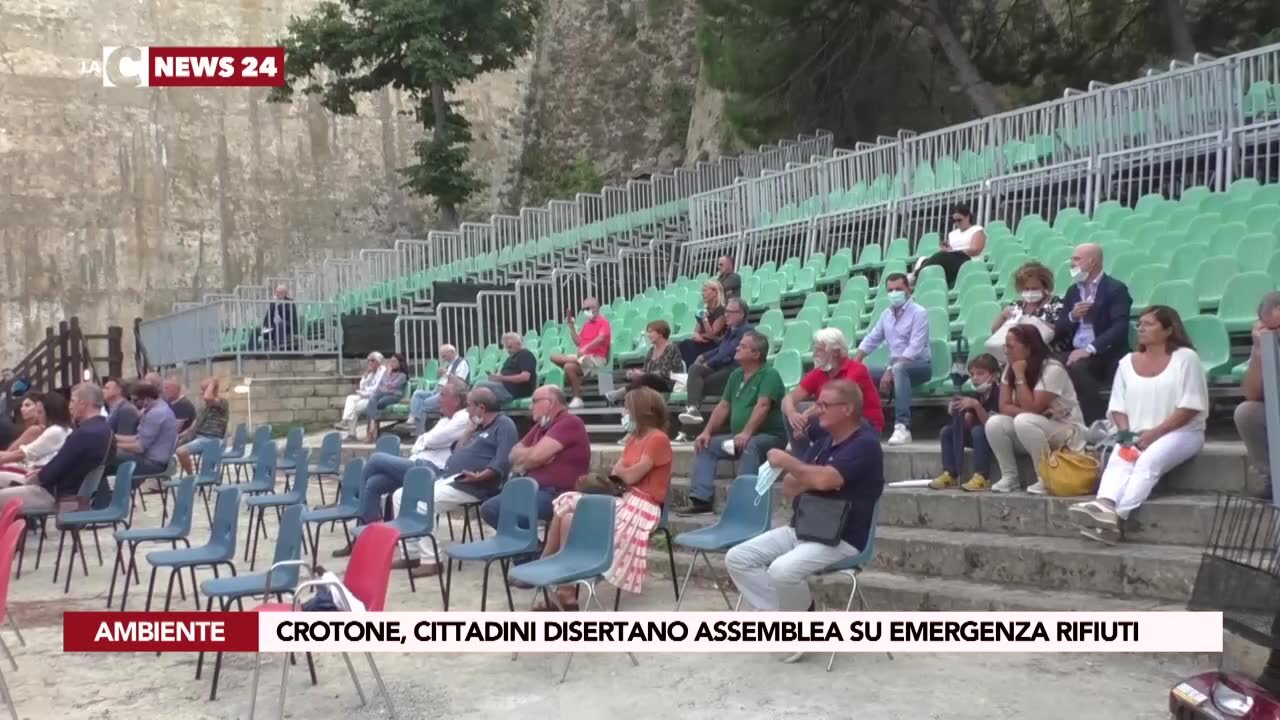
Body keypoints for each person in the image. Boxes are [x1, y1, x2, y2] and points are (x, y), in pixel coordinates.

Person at [725, 380, 884, 630]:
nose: (816, 409)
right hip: (803, 527)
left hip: (841, 538)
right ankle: (790, 617)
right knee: (738, 557)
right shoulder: (824, 443)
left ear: (847, 409)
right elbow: (790, 486)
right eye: (817, 403)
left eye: (824, 404)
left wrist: (793, 465)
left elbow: (823, 479)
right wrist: (813, 478)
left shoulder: (865, 444)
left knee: (781, 570)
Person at [1070, 307, 1208, 544]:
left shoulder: (1186, 358)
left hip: (1181, 432)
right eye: (1139, 323)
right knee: (1120, 457)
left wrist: (1154, 434)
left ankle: (1115, 516)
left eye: (1149, 324)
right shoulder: (1126, 362)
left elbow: (1190, 407)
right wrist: (1124, 433)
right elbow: (1117, 406)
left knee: (1147, 461)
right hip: (1135, 433)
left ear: (1168, 330)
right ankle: (1104, 504)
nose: (1140, 328)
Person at [534, 387, 673, 609]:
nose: (624, 413)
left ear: (641, 411)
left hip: (645, 506)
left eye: (627, 408)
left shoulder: (658, 438)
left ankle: (552, 574)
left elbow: (629, 474)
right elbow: (618, 474)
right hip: (625, 497)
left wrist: (624, 473)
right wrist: (624, 473)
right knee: (567, 505)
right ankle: (562, 585)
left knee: (571, 512)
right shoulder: (632, 440)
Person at [392, 385, 520, 578]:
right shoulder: (478, 427)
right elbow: (458, 451)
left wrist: (480, 476)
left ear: (481, 408)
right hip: (454, 479)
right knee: (400, 495)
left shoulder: (504, 425)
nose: (467, 410)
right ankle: (411, 553)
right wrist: (469, 431)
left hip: (477, 485)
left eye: (469, 405)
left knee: (424, 500)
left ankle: (431, 560)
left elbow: (503, 461)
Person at [336, 380, 474, 558]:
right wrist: (424, 441)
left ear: (456, 400)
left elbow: (432, 439)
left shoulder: (463, 418)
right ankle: (369, 536)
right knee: (374, 483)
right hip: (417, 463)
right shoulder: (445, 419)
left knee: (376, 460)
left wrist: (424, 441)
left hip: (430, 470)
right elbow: (426, 439)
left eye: (443, 395)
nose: (438, 399)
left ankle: (357, 513)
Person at [676, 331, 788, 515]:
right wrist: (706, 432)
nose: (737, 347)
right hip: (740, 436)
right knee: (706, 445)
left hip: (770, 438)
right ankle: (700, 500)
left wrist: (746, 433)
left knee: (750, 445)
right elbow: (723, 406)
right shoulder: (736, 374)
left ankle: (745, 503)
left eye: (743, 346)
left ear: (756, 354)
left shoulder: (770, 374)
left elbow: (763, 406)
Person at [984, 325, 1088, 494]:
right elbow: (1003, 406)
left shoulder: (1052, 368)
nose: (1006, 351)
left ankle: (1045, 479)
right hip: (1036, 427)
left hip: (1067, 431)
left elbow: (1031, 407)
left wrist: (1019, 376)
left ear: (1028, 348)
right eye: (1005, 346)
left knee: (1024, 421)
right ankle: (1010, 477)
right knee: (995, 423)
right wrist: (1030, 412)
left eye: (1010, 347)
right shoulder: (1010, 367)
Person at [480, 386, 590, 529]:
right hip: (534, 489)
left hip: (558, 495)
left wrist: (532, 458)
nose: (530, 406)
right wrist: (536, 455)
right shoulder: (541, 426)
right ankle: (529, 547)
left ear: (550, 403)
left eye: (534, 401)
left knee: (495, 509)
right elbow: (513, 455)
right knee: (490, 508)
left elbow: (535, 458)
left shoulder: (569, 422)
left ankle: (528, 548)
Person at [0, 383, 113, 514]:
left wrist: (37, 477)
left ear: (83, 404)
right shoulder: (106, 430)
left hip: (57, 495)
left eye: (72, 400)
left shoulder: (83, 433)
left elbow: (56, 468)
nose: (70, 405)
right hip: (71, 491)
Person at [1054, 243, 1132, 424]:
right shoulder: (1073, 291)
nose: (1071, 263)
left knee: (1077, 367)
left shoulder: (1115, 289)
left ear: (1092, 261)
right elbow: (1060, 327)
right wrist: (1073, 316)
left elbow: (1120, 327)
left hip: (1103, 352)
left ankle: (1096, 421)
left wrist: (1090, 348)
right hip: (1075, 349)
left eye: (1076, 259)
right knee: (1046, 364)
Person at [855, 273, 930, 445]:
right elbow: (871, 339)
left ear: (908, 290)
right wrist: (855, 362)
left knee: (898, 369)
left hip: (920, 366)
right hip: (895, 367)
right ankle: (866, 424)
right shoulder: (886, 315)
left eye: (898, 289)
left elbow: (914, 348)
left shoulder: (919, 313)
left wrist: (890, 370)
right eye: (890, 290)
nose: (894, 293)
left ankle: (902, 427)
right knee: (861, 371)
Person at [782, 328, 884, 455]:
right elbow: (788, 399)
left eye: (819, 350)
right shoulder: (819, 372)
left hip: (864, 425)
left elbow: (832, 403)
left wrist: (803, 419)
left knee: (826, 414)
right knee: (792, 410)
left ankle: (813, 461)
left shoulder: (857, 370)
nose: (814, 354)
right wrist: (793, 414)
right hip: (834, 420)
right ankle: (802, 458)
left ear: (835, 352)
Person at [678, 296, 753, 431]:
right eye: (726, 311)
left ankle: (689, 428)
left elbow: (729, 352)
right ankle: (693, 409)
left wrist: (709, 364)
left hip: (734, 371)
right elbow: (720, 349)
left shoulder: (746, 331)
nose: (726, 315)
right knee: (695, 368)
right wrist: (703, 356)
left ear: (741, 314)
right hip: (722, 368)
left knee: (697, 385)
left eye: (730, 312)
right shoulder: (732, 330)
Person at [930, 353, 1001, 491]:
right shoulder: (976, 395)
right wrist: (958, 412)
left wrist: (976, 406)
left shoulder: (999, 393)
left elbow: (992, 426)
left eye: (980, 373)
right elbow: (967, 425)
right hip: (979, 439)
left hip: (996, 439)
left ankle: (982, 476)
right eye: (972, 374)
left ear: (994, 375)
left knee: (978, 431)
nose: (975, 378)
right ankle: (950, 473)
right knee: (947, 432)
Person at [1235, 292, 1280, 502]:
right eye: (1270, 328)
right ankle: (1273, 478)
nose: (1276, 333)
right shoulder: (1267, 341)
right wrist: (1259, 351)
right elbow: (1251, 394)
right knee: (1247, 412)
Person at [987, 261, 1065, 362]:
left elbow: (1060, 331)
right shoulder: (1017, 305)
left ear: (1045, 286)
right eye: (1026, 289)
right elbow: (995, 331)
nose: (1030, 292)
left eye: (1035, 288)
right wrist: (1002, 316)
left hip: (1047, 355)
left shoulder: (1057, 304)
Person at [0, 392, 72, 487]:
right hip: (35, 474)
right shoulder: (60, 430)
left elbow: (21, 454)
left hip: (38, 479)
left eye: (40, 412)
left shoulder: (54, 430)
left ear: (50, 412)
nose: (38, 416)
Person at [551, 297, 611, 409]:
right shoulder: (587, 324)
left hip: (597, 358)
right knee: (557, 359)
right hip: (583, 358)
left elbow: (601, 338)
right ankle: (577, 398)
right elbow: (578, 342)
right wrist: (571, 327)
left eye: (587, 308)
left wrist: (586, 348)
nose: (585, 311)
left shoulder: (603, 322)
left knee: (574, 360)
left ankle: (577, 392)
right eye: (583, 309)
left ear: (596, 307)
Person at [111, 381, 178, 477]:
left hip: (154, 464)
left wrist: (113, 446)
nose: (132, 403)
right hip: (153, 460)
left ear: (146, 399)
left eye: (135, 400)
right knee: (107, 457)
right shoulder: (161, 407)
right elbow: (138, 438)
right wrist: (112, 437)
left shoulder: (156, 413)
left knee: (107, 456)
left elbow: (139, 447)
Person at [606, 320, 683, 402]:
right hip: (650, 381)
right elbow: (646, 370)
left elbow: (666, 373)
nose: (648, 335)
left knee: (647, 378)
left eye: (650, 332)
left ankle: (622, 393)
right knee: (641, 380)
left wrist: (643, 374)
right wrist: (635, 374)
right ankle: (628, 407)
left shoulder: (671, 348)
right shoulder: (651, 351)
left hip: (668, 383)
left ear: (661, 333)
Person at [913, 204, 987, 287]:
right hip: (953, 261)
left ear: (968, 217)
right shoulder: (953, 234)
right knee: (923, 259)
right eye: (954, 221)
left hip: (969, 261)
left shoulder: (977, 230)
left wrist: (954, 252)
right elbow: (951, 251)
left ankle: (914, 277)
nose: (956, 223)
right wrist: (948, 249)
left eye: (959, 220)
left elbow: (976, 249)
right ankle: (922, 283)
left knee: (941, 256)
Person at [407, 345, 470, 434]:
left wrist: (447, 373)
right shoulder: (449, 364)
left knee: (421, 406)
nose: (443, 359)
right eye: (442, 357)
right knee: (417, 394)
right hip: (437, 390)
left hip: (450, 394)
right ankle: (413, 416)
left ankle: (420, 434)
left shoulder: (462, 363)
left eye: (444, 356)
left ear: (452, 352)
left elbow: (461, 384)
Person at [174, 377, 229, 475]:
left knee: (181, 451)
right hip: (200, 439)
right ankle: (192, 476)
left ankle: (192, 477)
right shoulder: (203, 408)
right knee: (179, 451)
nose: (202, 393)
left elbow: (208, 397)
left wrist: (213, 381)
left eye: (204, 390)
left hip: (214, 440)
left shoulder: (222, 403)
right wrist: (181, 436)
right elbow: (194, 425)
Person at [474, 333, 538, 407]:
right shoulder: (510, 358)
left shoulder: (526, 355)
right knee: (482, 383)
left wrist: (501, 378)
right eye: (506, 348)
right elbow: (502, 376)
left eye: (510, 347)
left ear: (518, 344)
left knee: (480, 385)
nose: (508, 350)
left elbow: (525, 377)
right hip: (505, 387)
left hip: (514, 391)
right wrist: (495, 377)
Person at [678, 280, 728, 367]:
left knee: (687, 346)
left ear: (715, 293)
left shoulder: (721, 311)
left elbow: (712, 334)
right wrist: (696, 335)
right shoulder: (705, 310)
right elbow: (696, 331)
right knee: (683, 344)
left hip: (715, 345)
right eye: (702, 291)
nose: (702, 293)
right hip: (703, 342)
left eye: (705, 290)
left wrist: (704, 319)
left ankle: (692, 370)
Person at [338, 352, 386, 438]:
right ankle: (345, 420)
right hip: (366, 395)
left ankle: (351, 434)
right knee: (350, 398)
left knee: (355, 407)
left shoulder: (382, 371)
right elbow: (362, 386)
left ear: (379, 362)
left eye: (372, 360)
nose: (370, 363)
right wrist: (365, 376)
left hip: (375, 397)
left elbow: (376, 388)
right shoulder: (371, 372)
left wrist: (364, 392)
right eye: (368, 360)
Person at [364, 353, 409, 441]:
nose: (391, 363)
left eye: (394, 361)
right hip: (382, 393)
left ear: (400, 363)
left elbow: (392, 385)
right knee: (372, 399)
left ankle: (371, 431)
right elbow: (380, 385)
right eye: (391, 361)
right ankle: (372, 427)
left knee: (375, 403)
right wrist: (386, 382)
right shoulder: (387, 372)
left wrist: (386, 380)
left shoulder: (402, 375)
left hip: (394, 396)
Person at [260, 284, 298, 350]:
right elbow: (268, 316)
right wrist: (266, 326)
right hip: (273, 328)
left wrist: (278, 304)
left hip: (287, 328)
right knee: (256, 330)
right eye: (276, 292)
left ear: (285, 293)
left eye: (280, 292)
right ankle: (249, 352)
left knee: (280, 324)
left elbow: (286, 315)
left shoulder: (290, 302)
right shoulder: (273, 302)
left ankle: (275, 347)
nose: (277, 294)